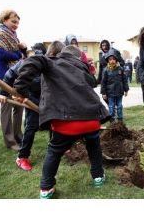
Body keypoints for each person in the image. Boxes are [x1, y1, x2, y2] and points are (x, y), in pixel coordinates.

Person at [13, 45, 110, 199]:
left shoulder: (51, 61)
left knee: (54, 151)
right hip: (92, 120)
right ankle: (98, 177)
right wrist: (89, 68)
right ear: (78, 57)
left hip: (68, 122)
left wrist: (20, 89)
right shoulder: (81, 68)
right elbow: (93, 82)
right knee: (94, 147)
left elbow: (33, 61)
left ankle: (46, 188)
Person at [0, 43, 48, 171]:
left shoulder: (48, 64)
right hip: (29, 97)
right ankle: (22, 157)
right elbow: (8, 77)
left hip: (46, 98)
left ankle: (56, 148)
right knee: (31, 127)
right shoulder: (23, 64)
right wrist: (3, 94)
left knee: (53, 123)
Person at [0, 9, 27, 151]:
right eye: (13, 21)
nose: (16, 24)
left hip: (15, 74)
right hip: (1, 74)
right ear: (4, 19)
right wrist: (19, 52)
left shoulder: (13, 35)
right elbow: (3, 54)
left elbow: (21, 56)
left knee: (18, 104)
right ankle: (10, 141)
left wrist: (23, 50)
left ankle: (19, 136)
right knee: (6, 104)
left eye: (18, 22)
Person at [100, 50, 129, 122]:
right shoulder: (106, 70)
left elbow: (124, 80)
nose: (112, 61)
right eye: (110, 59)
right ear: (108, 61)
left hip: (119, 91)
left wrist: (126, 90)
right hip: (110, 92)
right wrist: (103, 93)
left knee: (119, 106)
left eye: (113, 59)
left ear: (116, 60)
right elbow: (103, 82)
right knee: (111, 106)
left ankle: (120, 119)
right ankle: (111, 119)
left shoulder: (120, 69)